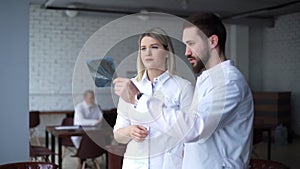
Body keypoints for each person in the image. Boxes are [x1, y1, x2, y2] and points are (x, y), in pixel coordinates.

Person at [113, 13, 254, 169]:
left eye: (191, 44)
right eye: (143, 48)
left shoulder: (228, 82)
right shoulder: (208, 80)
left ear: (212, 41)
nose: (186, 52)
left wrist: (139, 99)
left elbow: (195, 128)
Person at [113, 28, 194, 169]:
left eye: (154, 47)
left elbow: (191, 132)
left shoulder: (183, 87)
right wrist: (130, 131)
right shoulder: (130, 86)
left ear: (167, 52)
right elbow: (118, 135)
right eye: (143, 48)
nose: (147, 53)